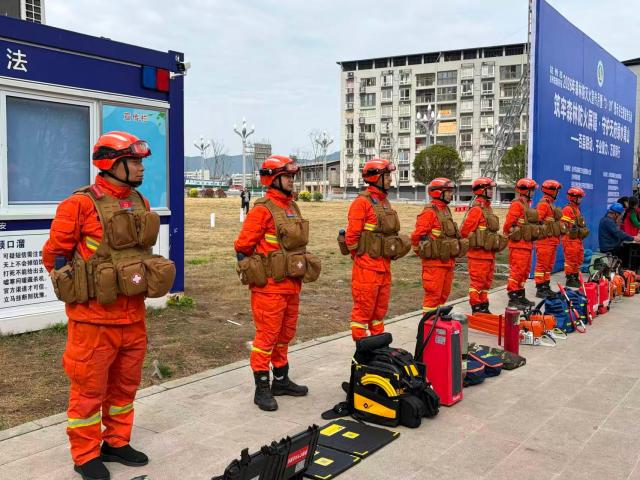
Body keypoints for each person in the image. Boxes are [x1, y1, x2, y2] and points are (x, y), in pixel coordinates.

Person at [42, 132, 176, 480]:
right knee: (88, 391)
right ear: (112, 164)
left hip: (132, 316)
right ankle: (85, 454)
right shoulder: (79, 205)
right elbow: (54, 255)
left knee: (124, 387)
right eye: (134, 161)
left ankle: (116, 442)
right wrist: (79, 286)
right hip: (93, 322)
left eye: (141, 161)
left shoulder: (139, 200)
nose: (141, 167)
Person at [234, 155, 320, 411]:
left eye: (292, 176)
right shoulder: (263, 210)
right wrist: (257, 271)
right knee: (267, 337)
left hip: (291, 284)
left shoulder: (292, 207)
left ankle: (281, 381)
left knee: (285, 335)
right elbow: (242, 247)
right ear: (273, 179)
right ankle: (262, 387)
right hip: (269, 288)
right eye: (286, 176)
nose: (291, 181)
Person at [344, 158, 409, 340]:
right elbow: (351, 237)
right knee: (363, 310)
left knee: (379, 311)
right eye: (386, 176)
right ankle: (362, 346)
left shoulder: (385, 202)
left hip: (384, 266)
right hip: (367, 268)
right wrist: (361, 258)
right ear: (375, 177)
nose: (390, 179)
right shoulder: (361, 203)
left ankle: (377, 344)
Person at [411, 178, 461, 315]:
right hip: (434, 265)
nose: (451, 194)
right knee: (433, 297)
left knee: (443, 295)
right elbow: (417, 236)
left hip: (447, 262)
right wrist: (424, 253)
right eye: (448, 191)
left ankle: (438, 321)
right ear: (438, 192)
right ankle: (429, 324)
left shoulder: (445, 210)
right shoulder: (429, 212)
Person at [460, 177, 503, 314]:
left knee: (486, 283)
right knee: (477, 283)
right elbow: (465, 231)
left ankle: (484, 306)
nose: (491, 191)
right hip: (478, 255)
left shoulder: (488, 209)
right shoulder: (477, 210)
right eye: (488, 189)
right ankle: (476, 307)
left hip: (489, 254)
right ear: (481, 190)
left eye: (491, 189)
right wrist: (476, 239)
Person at [503, 178, 538, 309]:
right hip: (518, 245)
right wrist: (512, 231)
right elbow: (508, 225)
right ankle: (513, 298)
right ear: (525, 191)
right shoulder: (517, 205)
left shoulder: (526, 205)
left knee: (524, 272)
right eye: (532, 190)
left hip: (526, 245)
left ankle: (520, 295)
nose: (533, 192)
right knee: (517, 272)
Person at [533, 180, 563, 298]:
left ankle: (545, 286)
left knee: (548, 266)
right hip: (544, 242)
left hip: (551, 241)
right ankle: (540, 288)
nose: (557, 193)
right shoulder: (543, 204)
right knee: (542, 266)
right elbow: (537, 221)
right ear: (551, 191)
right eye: (556, 190)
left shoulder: (550, 204)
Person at [561, 187, 588, 288]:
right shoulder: (567, 209)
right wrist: (572, 230)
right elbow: (564, 225)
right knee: (571, 259)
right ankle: (570, 278)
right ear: (573, 198)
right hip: (569, 239)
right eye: (579, 197)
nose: (581, 199)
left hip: (576, 239)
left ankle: (575, 276)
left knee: (578, 258)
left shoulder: (577, 209)